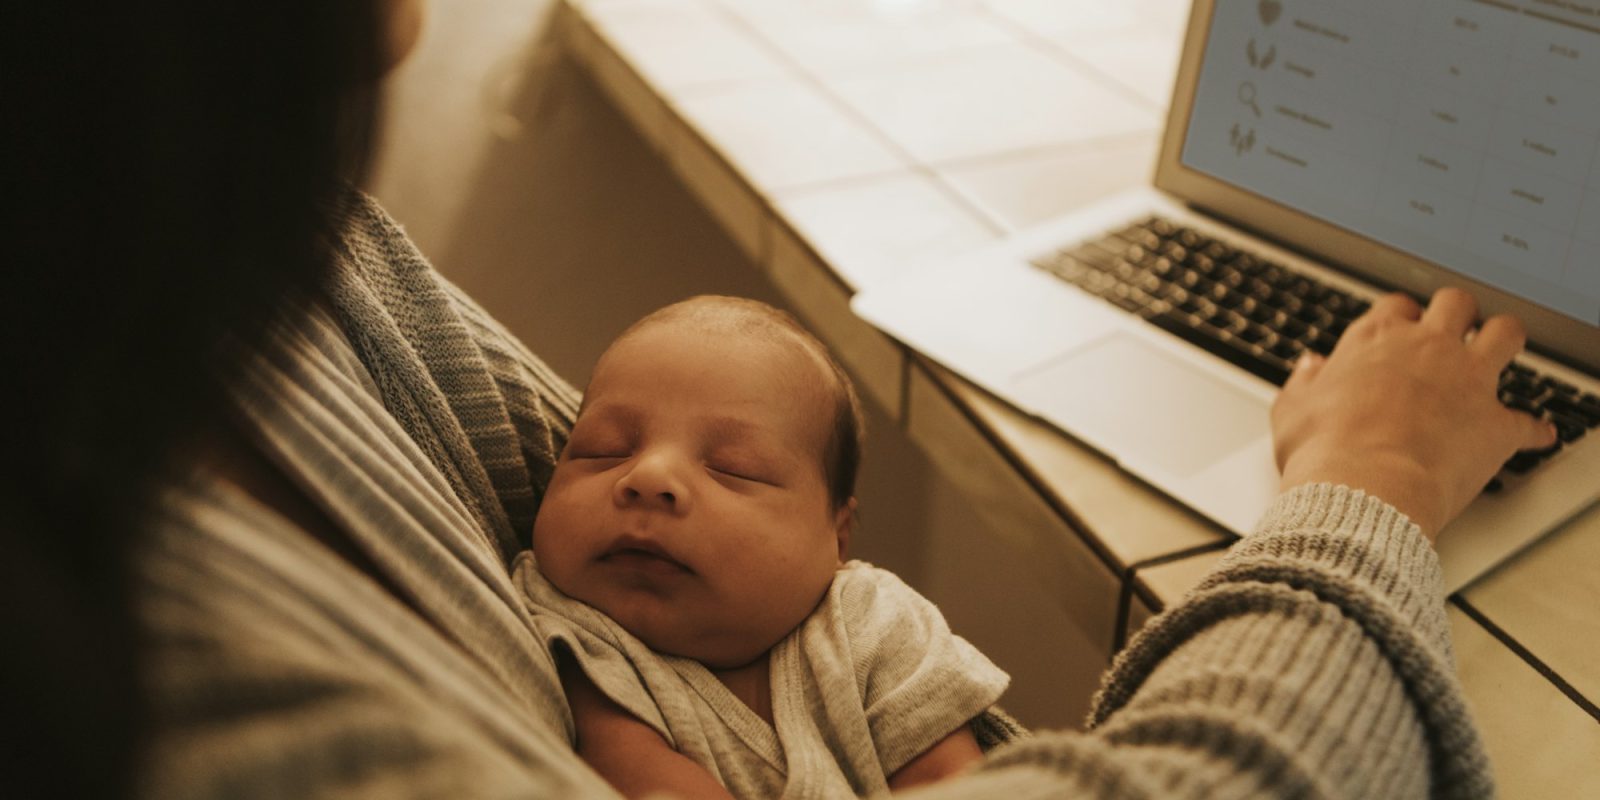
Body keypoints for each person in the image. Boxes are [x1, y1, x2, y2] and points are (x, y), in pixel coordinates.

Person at [2, 1, 1558, 798]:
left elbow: (606, 478)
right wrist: (1367, 472)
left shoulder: (267, 257)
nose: (643, 480)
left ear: (846, 533)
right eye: (614, 446)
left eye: (735, 468)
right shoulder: (178, 713)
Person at [516, 296, 1014, 798]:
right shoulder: (570, 628)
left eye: (734, 468)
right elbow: (638, 775)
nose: (648, 476)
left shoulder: (875, 622)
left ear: (836, 538)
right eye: (604, 450)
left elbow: (958, 785)